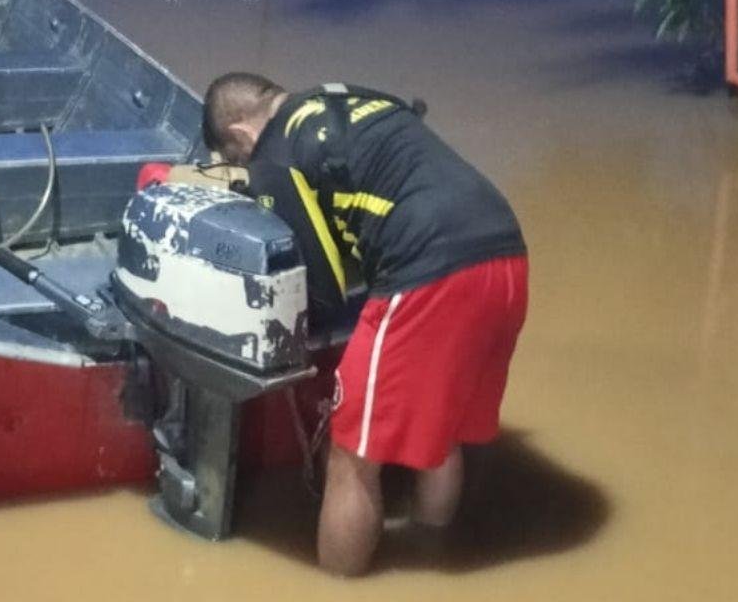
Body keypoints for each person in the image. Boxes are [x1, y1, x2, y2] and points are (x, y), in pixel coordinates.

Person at [201, 72, 528, 576]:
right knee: (442, 434)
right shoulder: (350, 98)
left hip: (427, 271)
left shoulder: (274, 154)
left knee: (352, 453)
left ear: (241, 135)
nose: (249, 168)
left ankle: (338, 583)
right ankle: (432, 562)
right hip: (505, 252)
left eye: (238, 160)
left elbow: (324, 287)